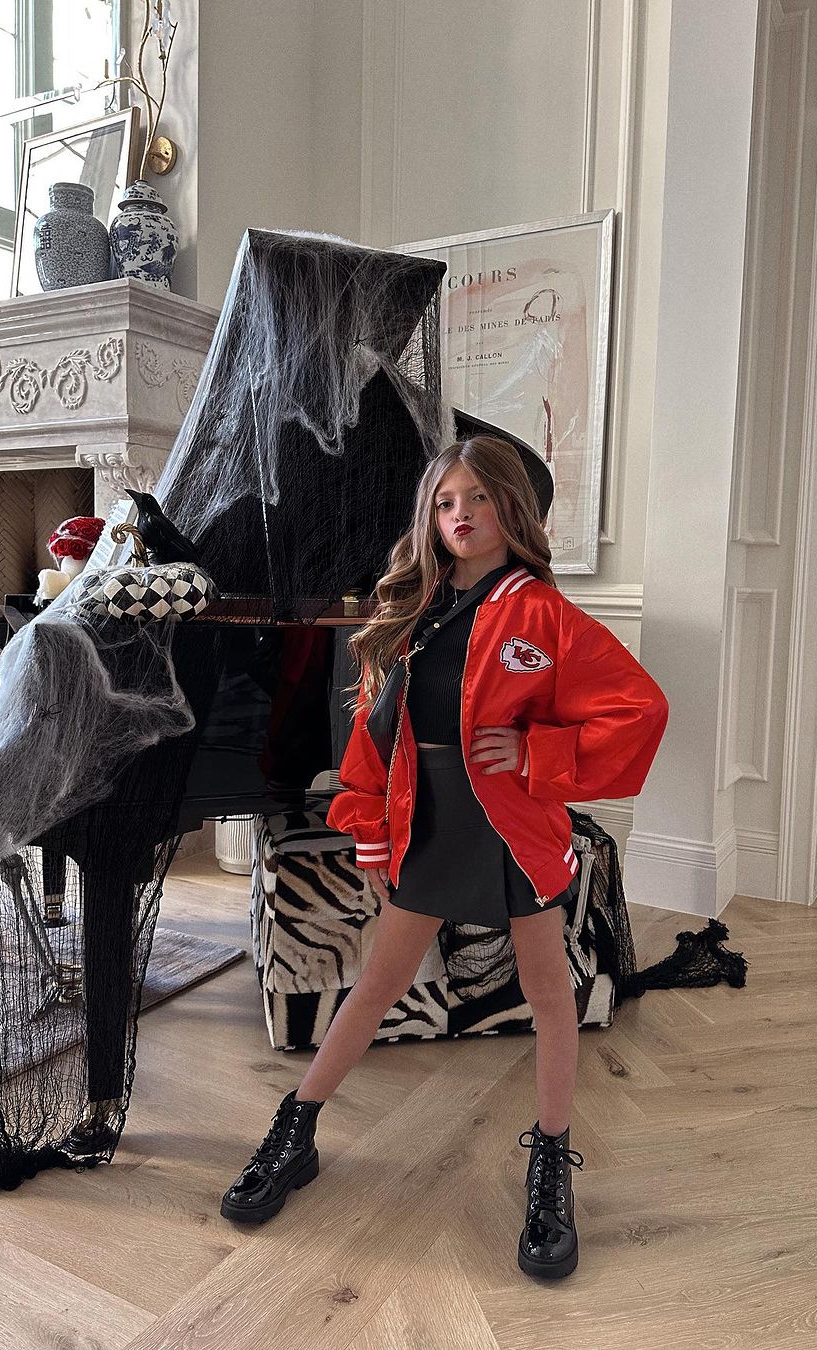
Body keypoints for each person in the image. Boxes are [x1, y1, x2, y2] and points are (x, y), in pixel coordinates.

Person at [219, 435, 669, 1281]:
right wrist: (367, 825)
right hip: (423, 821)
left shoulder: (541, 612)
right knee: (378, 983)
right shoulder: (412, 608)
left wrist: (537, 753)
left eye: (479, 498)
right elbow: (372, 730)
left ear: (511, 508)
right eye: (446, 502)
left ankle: (551, 1166)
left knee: (549, 993)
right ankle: (296, 1128)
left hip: (509, 828)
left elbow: (638, 709)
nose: (461, 515)